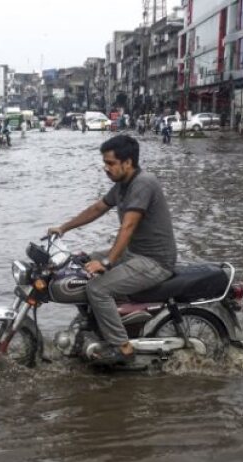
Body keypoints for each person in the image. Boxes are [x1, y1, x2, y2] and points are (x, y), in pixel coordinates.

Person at [46, 134, 177, 368]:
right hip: (135, 254)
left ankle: (122, 348)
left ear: (127, 162)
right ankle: (92, 325)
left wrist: (106, 262)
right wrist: (63, 228)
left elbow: (128, 226)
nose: (105, 168)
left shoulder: (143, 183)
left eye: (110, 163)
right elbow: (97, 208)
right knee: (79, 262)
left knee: (97, 288)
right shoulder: (122, 186)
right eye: (104, 162)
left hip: (155, 262)